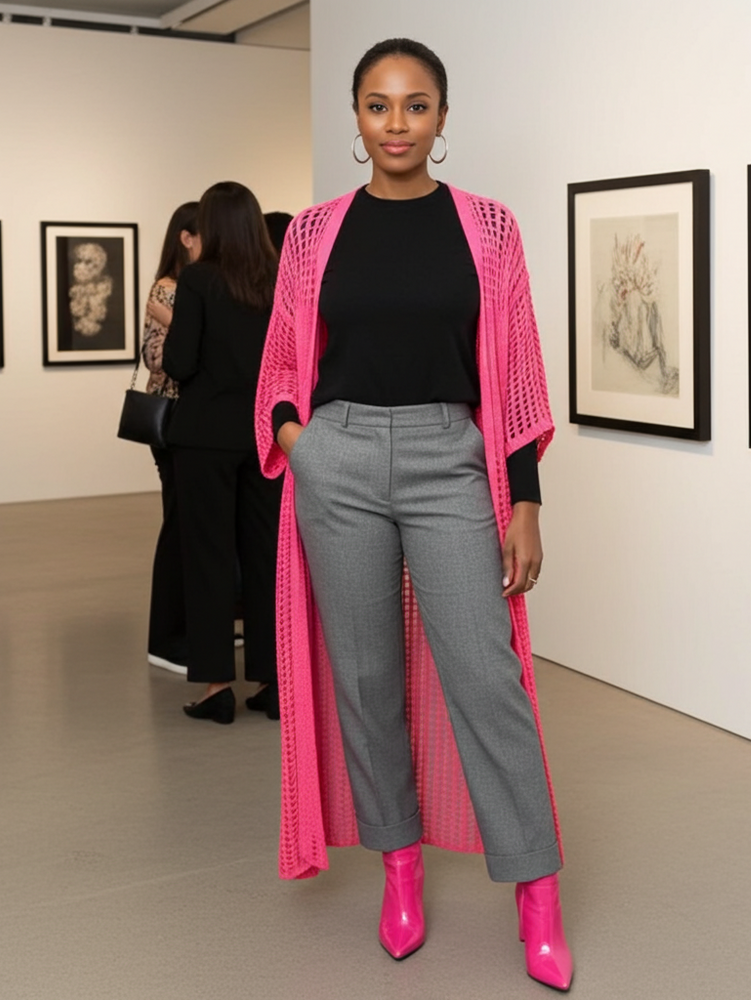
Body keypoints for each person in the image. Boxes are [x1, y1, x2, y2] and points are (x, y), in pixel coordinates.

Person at [255, 38, 572, 991]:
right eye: (379, 106)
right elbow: (281, 360)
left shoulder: (490, 228)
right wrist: (299, 439)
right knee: (364, 676)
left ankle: (538, 895)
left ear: (442, 116)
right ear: (355, 118)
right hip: (339, 460)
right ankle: (399, 871)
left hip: (451, 459)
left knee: (487, 675)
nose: (397, 123)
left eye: (416, 105)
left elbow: (511, 370)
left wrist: (522, 499)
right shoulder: (311, 234)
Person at [164, 182, 283, 724]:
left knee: (208, 558)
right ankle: (270, 681)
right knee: (265, 558)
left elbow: (180, 362)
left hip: (204, 437)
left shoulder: (199, 279)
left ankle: (216, 687)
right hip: (264, 437)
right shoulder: (276, 279)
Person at [142, 201, 200, 676]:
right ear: (186, 237)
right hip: (173, 417)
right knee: (178, 523)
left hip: (194, 420)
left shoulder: (194, 290)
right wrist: (183, 323)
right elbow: (157, 358)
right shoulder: (167, 288)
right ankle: (167, 638)